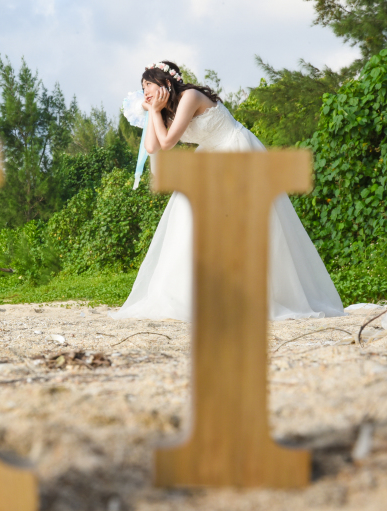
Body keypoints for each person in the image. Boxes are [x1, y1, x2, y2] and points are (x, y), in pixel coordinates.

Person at [111, 61, 344, 321]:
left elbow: (167, 143)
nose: (145, 93)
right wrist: (153, 112)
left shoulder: (189, 97)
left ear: (166, 83)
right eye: (142, 88)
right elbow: (153, 147)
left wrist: (153, 111)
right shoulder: (164, 110)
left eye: (149, 85)